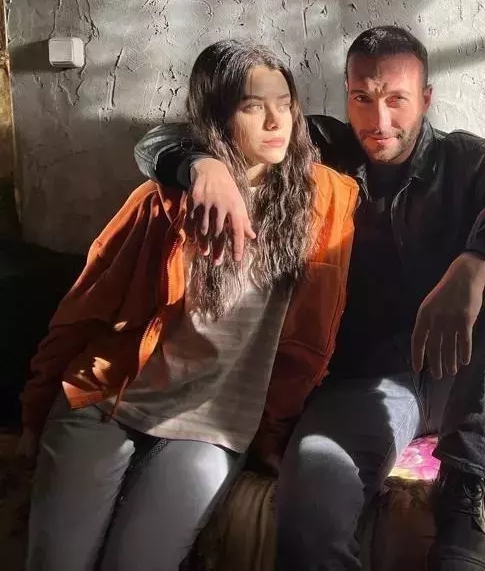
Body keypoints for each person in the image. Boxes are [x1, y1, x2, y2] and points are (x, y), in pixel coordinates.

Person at [135, 26, 485, 571]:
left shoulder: (464, 160)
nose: (379, 120)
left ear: (426, 98)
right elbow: (159, 140)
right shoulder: (317, 148)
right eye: (362, 99)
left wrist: (474, 264)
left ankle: (465, 487)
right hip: (366, 382)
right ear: (346, 94)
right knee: (308, 520)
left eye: (397, 99)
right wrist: (202, 166)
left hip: (461, 377)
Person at [19, 40, 357, 571]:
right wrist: (35, 409)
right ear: (218, 117)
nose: (276, 122)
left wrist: (275, 433)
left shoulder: (327, 200)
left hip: (214, 424)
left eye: (285, 103)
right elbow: (82, 309)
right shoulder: (162, 201)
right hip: (110, 399)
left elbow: (308, 344)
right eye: (253, 106)